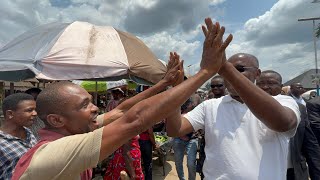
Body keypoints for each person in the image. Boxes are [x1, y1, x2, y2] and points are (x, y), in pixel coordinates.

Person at [12, 17, 233, 180]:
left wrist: (164, 84)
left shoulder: (73, 127)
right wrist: (205, 72)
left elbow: (122, 110)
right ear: (57, 120)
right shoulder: (55, 151)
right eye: (84, 105)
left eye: (91, 101)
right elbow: (135, 119)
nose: (95, 109)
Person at [166, 52, 300, 179]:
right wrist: (175, 90)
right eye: (225, 70)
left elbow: (283, 123)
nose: (230, 75)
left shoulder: (282, 101)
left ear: (257, 74)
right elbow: (174, 129)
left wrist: (224, 67)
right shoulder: (210, 106)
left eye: (239, 69)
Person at [256, 70, 320, 180]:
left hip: (293, 172)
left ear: (281, 87)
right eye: (260, 83)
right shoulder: (248, 108)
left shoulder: (299, 108)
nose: (265, 87)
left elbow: (309, 144)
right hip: (261, 172)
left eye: (271, 83)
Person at [0, 93, 38, 179]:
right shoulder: (1, 142)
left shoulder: (28, 132)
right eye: (29, 110)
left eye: (35, 109)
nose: (35, 113)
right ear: (10, 114)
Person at [173, 98, 199, 180]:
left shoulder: (196, 113)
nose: (193, 104)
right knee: (178, 162)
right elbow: (172, 128)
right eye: (192, 103)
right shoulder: (177, 113)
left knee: (191, 163)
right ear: (188, 104)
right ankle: (182, 178)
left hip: (192, 140)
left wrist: (198, 131)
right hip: (178, 139)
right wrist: (181, 135)